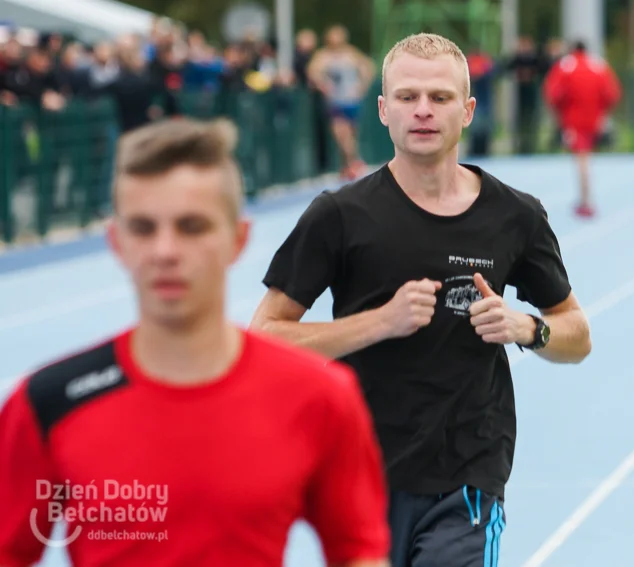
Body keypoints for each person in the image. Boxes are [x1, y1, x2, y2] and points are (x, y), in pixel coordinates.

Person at [251, 33, 592, 567]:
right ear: (384, 111)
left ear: (468, 110)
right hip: (361, 476)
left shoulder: (515, 216)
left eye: (440, 97)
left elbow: (576, 333)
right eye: (408, 97)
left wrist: (526, 328)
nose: (423, 111)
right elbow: (264, 338)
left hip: (467, 475)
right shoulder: (338, 216)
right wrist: (378, 323)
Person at [0, 118, 390, 567]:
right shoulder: (49, 403)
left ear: (238, 239)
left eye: (191, 227)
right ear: (117, 241)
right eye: (144, 228)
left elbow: (358, 552)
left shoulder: (320, 399)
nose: (166, 250)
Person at [542, 40, 621, 218]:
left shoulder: (566, 65)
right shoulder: (598, 64)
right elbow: (612, 94)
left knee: (582, 159)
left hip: (574, 120)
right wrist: (602, 113)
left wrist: (560, 114)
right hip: (595, 119)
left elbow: (552, 93)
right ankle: (585, 199)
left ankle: (586, 201)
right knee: (586, 157)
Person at [307, 24, 375, 180]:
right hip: (335, 101)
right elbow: (312, 72)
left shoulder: (351, 53)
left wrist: (362, 86)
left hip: (351, 100)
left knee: (350, 135)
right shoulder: (323, 56)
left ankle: (349, 164)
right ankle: (353, 162)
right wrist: (323, 85)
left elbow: (368, 67)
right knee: (340, 134)